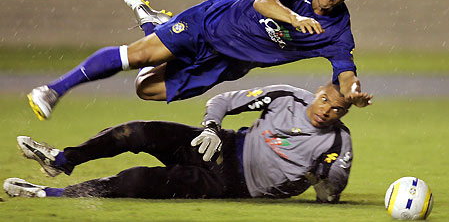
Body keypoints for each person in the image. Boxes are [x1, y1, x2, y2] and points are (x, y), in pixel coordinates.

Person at [28, 0, 369, 121]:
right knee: (140, 56)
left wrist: (352, 91)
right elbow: (262, 1)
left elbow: (344, 69)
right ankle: (54, 89)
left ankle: (156, 25)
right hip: (211, 23)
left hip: (231, 62)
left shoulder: (338, 32)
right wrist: (296, 17)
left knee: (146, 89)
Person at [4, 82, 371, 202]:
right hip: (221, 145)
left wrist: (322, 177)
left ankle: (49, 195)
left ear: (345, 113)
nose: (327, 111)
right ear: (319, 93)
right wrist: (211, 127)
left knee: (136, 181)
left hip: (232, 183)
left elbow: (331, 194)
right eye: (325, 100)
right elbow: (224, 101)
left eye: (338, 110)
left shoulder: (338, 142)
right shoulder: (287, 97)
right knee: (139, 131)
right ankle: (62, 159)